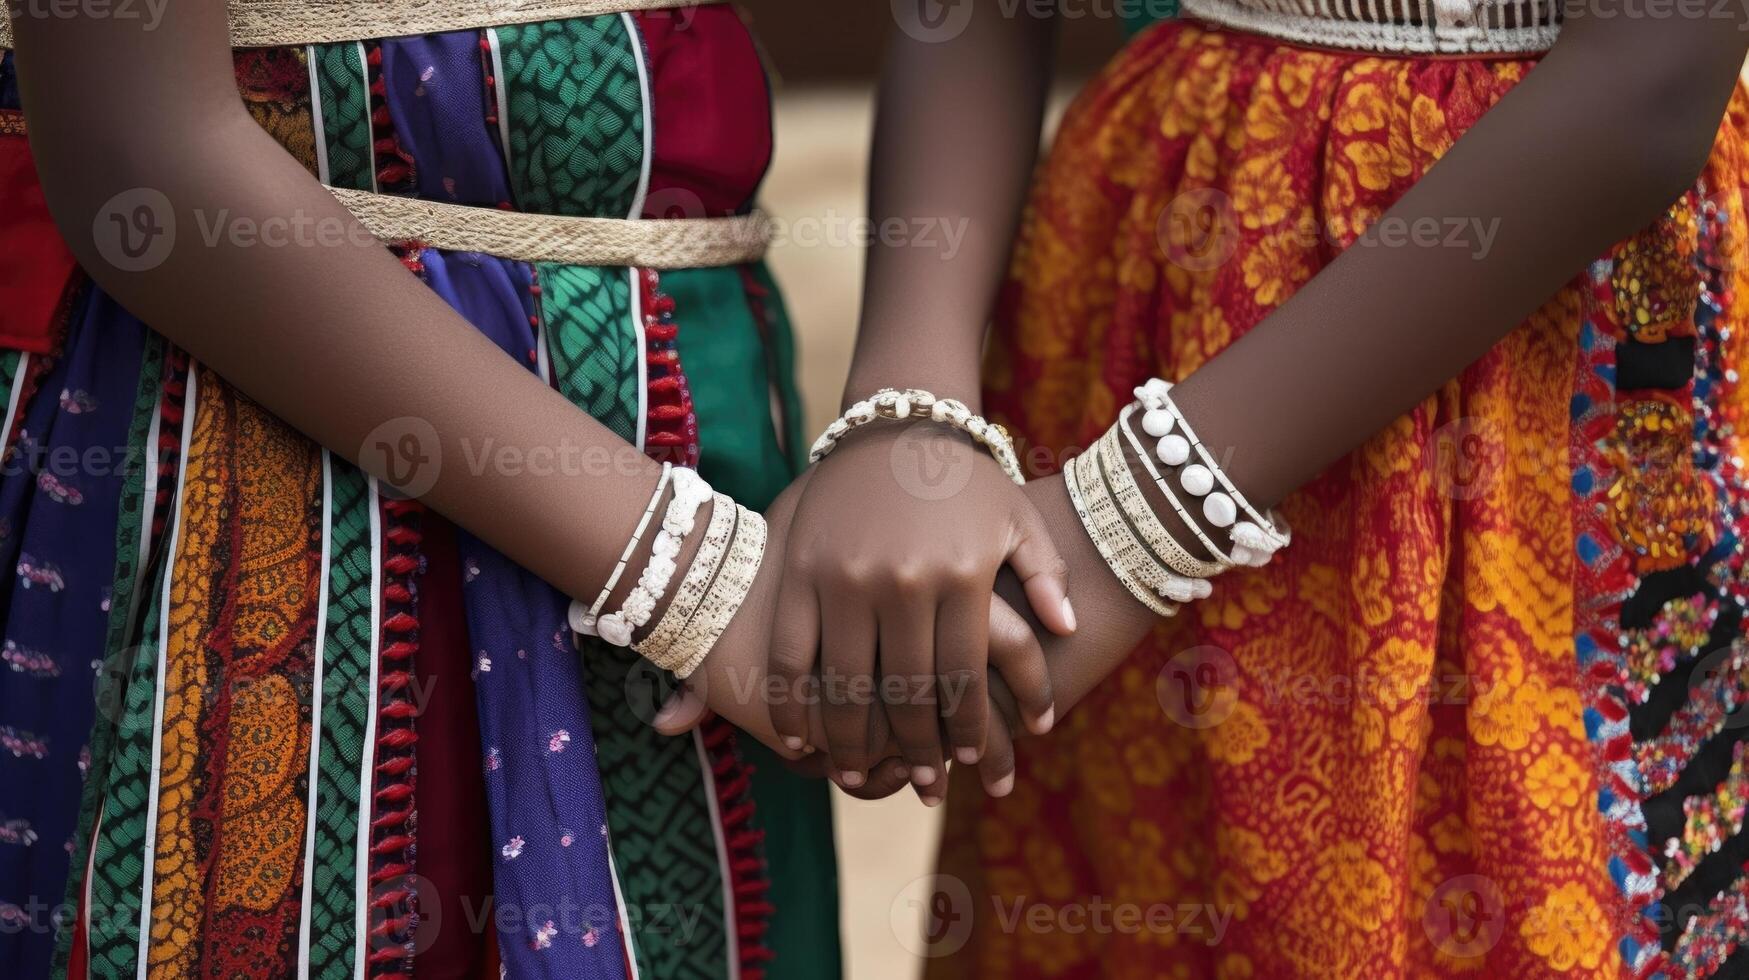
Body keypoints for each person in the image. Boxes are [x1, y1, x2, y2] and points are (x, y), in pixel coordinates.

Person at [758, 2, 1749, 976]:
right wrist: (910, 410)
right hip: (1147, 294)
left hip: (1521, 328)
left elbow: (1651, 77)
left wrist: (1126, 529)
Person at [0, 3, 875, 977]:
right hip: (271, 422)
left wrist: (910, 423)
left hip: (693, 408)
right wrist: (706, 589)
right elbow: (138, 148)